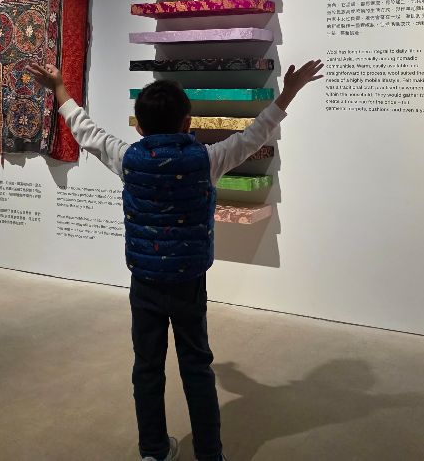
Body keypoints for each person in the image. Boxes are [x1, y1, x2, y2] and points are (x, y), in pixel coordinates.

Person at [28, 59, 324, 461]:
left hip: (145, 282)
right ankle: (209, 454)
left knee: (147, 366)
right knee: (197, 366)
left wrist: (59, 88)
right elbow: (255, 135)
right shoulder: (207, 159)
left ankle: (153, 449)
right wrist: (287, 93)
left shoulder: (128, 158)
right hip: (189, 281)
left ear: (139, 127)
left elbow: (87, 132)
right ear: (188, 123)